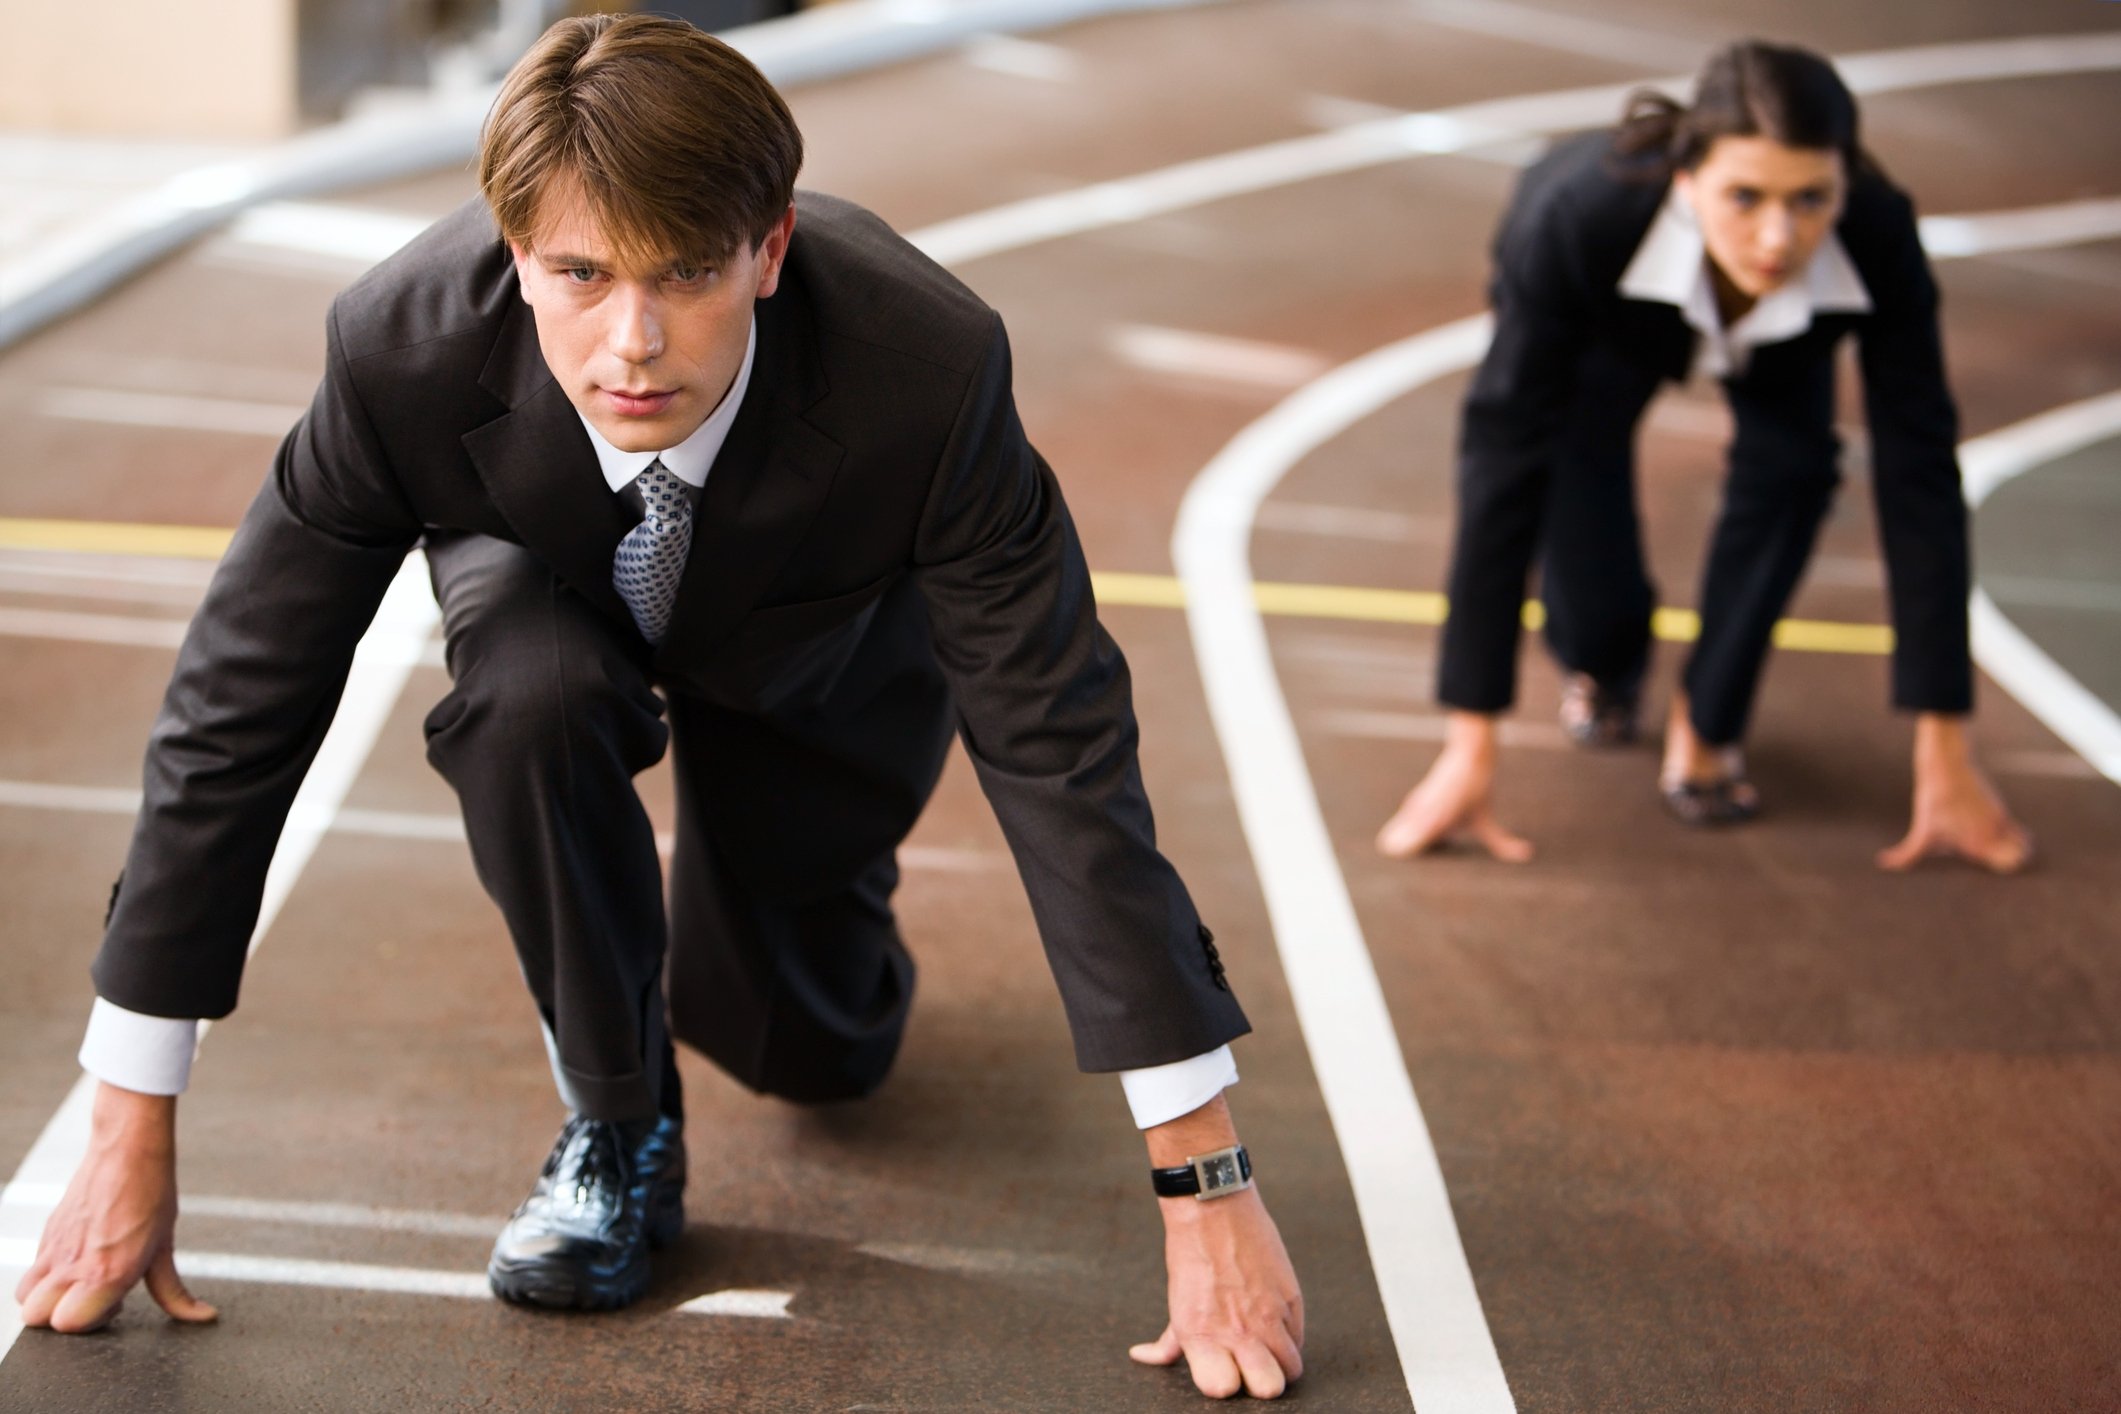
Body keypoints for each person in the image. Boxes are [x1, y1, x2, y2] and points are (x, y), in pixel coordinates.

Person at [16, 15, 1304, 1400]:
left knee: (804, 1047)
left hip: (815, 653)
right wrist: (127, 1111)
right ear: (515, 257)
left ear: (769, 247)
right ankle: (617, 1123)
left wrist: (1205, 1176)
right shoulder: (400, 348)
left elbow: (1058, 744)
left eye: (686, 275)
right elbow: (239, 704)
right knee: (524, 698)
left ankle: (789, 947)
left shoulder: (923, 373)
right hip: (550, 594)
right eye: (577, 275)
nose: (630, 343)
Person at [1376, 39, 2030, 870]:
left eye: (1810, 199)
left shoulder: (1875, 233)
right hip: (1611, 314)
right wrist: (1468, 742)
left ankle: (1708, 719)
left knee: (1793, 470)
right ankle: (1605, 666)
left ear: (1843, 182)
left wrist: (1946, 753)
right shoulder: (1575, 218)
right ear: (1687, 180)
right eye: (1744, 196)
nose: (1775, 237)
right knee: (1575, 469)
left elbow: (1920, 467)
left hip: (1786, 341)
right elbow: (1501, 455)